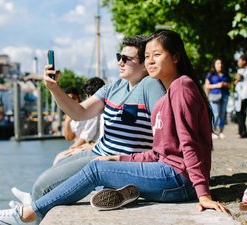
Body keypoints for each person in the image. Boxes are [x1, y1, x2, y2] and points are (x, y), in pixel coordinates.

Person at [0, 30, 230, 224]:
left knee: (96, 170)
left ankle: (25, 214)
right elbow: (159, 152)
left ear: (175, 57)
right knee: (102, 165)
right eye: (147, 56)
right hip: (169, 175)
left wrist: (203, 194)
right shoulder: (164, 96)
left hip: (180, 181)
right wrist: (121, 158)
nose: (150, 61)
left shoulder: (181, 86)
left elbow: (190, 144)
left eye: (157, 55)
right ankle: (125, 192)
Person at [10, 35, 166, 207]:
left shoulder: (151, 86)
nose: (120, 63)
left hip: (112, 162)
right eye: (118, 57)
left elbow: (163, 135)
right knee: (55, 166)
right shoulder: (113, 88)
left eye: (126, 59)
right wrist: (54, 88)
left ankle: (29, 208)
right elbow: (79, 112)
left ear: (144, 64)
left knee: (42, 186)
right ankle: (31, 201)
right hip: (98, 151)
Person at [53, 78, 105, 165]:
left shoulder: (93, 111)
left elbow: (86, 137)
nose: (70, 102)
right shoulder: (73, 116)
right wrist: (67, 122)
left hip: (93, 148)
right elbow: (69, 137)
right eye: (68, 99)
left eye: (73, 98)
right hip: (89, 147)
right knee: (60, 158)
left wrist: (72, 149)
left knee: (60, 158)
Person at [204, 58, 231, 139]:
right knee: (215, 114)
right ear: (214, 65)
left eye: (221, 63)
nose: (220, 65)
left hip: (224, 96)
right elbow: (207, 86)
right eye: (218, 63)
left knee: (223, 115)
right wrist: (216, 85)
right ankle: (213, 131)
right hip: (214, 96)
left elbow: (230, 86)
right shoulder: (210, 74)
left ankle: (221, 131)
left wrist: (225, 84)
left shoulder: (226, 74)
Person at [234, 54, 247, 138]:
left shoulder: (244, 71)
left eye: (239, 60)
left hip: (244, 95)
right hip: (240, 95)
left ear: (244, 61)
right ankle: (242, 131)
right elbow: (236, 82)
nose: (238, 62)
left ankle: (242, 132)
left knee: (241, 113)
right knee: (240, 113)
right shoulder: (240, 70)